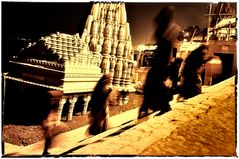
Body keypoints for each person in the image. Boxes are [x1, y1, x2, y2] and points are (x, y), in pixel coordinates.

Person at [138, 6, 181, 118]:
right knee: (152, 84)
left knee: (153, 84)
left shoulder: (169, 30)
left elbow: (164, 44)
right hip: (160, 62)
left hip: (161, 62)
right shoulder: (168, 28)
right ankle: (150, 106)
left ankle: (161, 106)